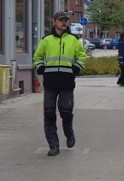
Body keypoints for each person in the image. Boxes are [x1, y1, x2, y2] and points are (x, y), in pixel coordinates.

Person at [33, 11, 86, 156]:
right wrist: (40, 67)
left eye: (65, 20)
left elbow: (81, 56)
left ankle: (69, 133)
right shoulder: (46, 40)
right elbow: (37, 56)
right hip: (50, 82)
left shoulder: (74, 40)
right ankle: (53, 145)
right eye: (61, 20)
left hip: (67, 82)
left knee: (66, 111)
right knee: (49, 113)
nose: (64, 22)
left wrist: (77, 67)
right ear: (54, 22)